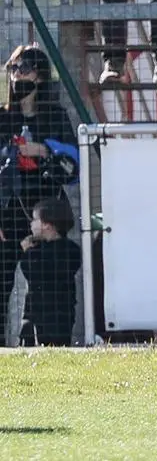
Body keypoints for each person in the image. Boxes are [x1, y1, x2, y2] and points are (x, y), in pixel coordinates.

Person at [0, 45, 79, 337]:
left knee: (46, 288)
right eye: (13, 69)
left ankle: (50, 344)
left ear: (41, 76)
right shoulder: (2, 117)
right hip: (8, 215)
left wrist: (44, 150)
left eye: (24, 68)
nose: (17, 75)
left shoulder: (55, 117)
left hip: (45, 216)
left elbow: (74, 166)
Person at [18, 198, 81, 347]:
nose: (31, 224)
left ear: (47, 224)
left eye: (35, 220)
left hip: (55, 313)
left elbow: (34, 273)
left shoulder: (67, 250)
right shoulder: (67, 248)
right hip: (40, 313)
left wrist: (28, 252)